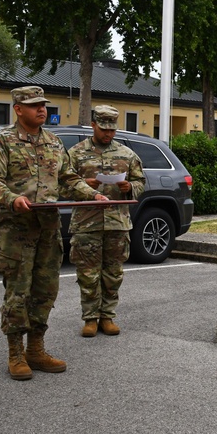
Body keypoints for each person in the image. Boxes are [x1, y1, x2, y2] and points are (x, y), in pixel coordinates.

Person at [0, 86, 109, 381]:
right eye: (34, 105)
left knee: (45, 290)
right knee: (18, 292)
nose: (42, 109)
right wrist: (13, 199)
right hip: (15, 229)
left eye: (44, 105)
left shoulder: (53, 142)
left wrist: (92, 194)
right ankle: (15, 353)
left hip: (47, 228)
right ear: (18, 109)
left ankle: (35, 350)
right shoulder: (1, 141)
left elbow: (68, 178)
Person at [68, 105, 146, 337]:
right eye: (104, 129)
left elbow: (141, 182)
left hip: (117, 222)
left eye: (112, 130)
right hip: (86, 222)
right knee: (88, 273)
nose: (108, 134)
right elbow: (62, 184)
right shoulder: (75, 153)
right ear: (93, 125)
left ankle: (108, 316)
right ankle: (90, 318)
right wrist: (83, 186)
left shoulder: (127, 154)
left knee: (113, 273)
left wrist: (130, 187)